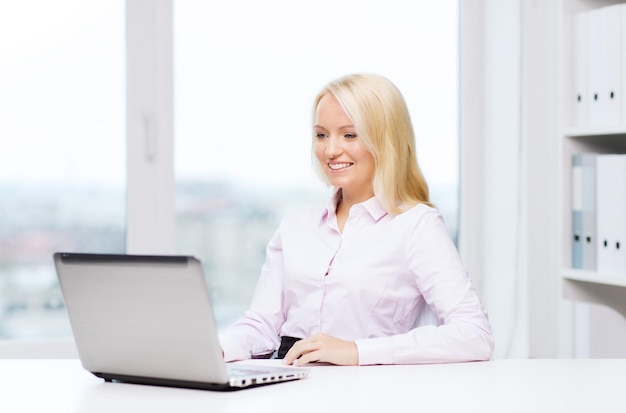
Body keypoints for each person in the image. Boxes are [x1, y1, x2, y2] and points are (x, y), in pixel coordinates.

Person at [218, 73, 494, 366]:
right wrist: (218, 347)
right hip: (289, 380)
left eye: (349, 134)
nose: (331, 149)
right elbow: (262, 324)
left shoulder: (416, 225)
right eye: (322, 134)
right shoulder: (296, 225)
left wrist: (356, 351)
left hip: (369, 389)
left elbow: (474, 335)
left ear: (385, 141)